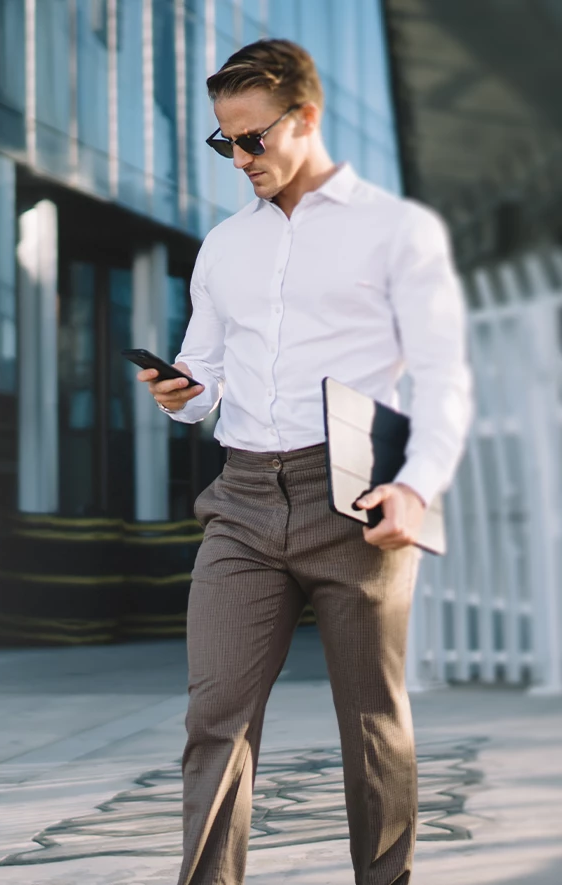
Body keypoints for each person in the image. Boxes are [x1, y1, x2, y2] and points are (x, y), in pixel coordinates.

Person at [135, 39, 472, 885]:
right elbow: (207, 374)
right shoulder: (223, 247)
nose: (239, 157)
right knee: (215, 716)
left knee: (372, 722)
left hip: (357, 491)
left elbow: (443, 381)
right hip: (244, 498)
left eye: (252, 138)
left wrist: (414, 486)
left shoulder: (398, 232)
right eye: (225, 142)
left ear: (305, 118)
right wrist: (185, 392)